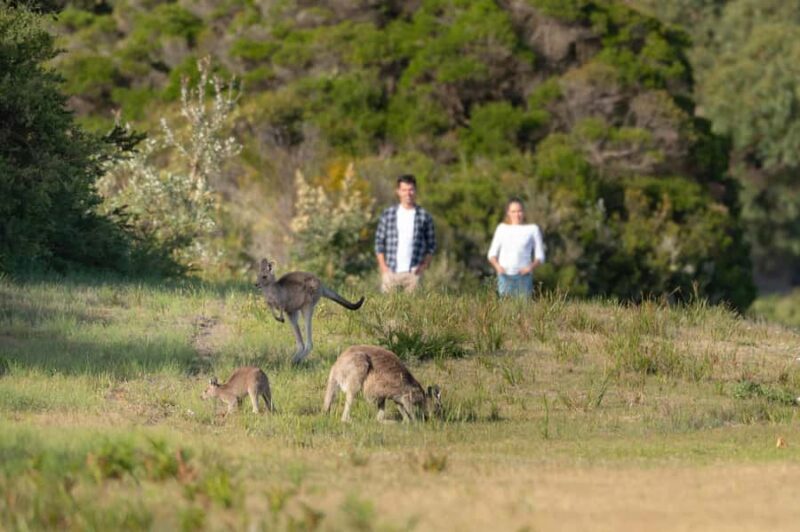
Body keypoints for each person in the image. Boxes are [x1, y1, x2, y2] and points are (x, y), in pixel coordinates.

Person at [374, 174, 436, 292]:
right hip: (390, 272)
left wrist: (423, 266)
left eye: (411, 189)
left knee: (413, 309)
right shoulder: (388, 214)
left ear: (415, 191)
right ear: (398, 191)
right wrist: (383, 267)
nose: (408, 193)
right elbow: (379, 243)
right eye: (404, 190)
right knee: (387, 308)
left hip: (414, 274)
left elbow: (431, 245)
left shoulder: (424, 216)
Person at [487, 198, 545, 297]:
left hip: (524, 277)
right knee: (505, 309)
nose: (517, 215)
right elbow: (491, 254)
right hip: (504, 276)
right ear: (508, 213)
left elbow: (540, 256)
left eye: (519, 211)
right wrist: (498, 267)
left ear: (523, 213)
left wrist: (530, 267)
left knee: (524, 309)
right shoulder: (502, 229)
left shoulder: (532, 229)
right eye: (513, 211)